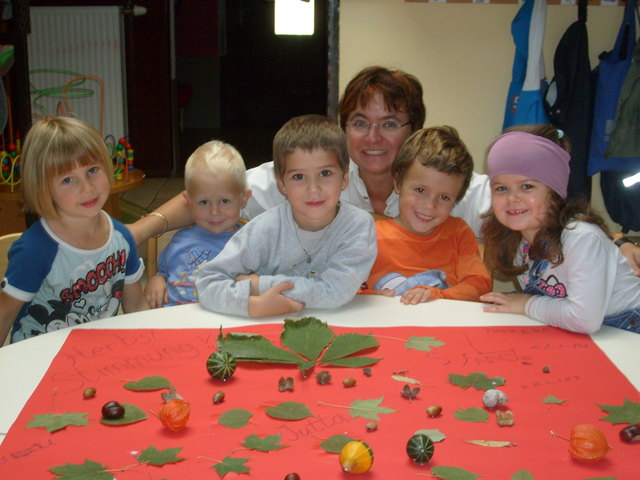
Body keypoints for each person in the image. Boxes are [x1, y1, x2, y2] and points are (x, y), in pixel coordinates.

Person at [129, 66, 640, 272]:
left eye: (390, 123)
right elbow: (217, 190)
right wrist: (137, 231)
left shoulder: (440, 184)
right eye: (359, 121)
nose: (373, 138)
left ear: (414, 128)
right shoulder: (320, 176)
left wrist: (614, 240)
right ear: (343, 125)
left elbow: (532, 202)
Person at [195, 114, 377, 318]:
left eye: (325, 173)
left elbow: (335, 292)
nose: (313, 189)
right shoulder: (264, 229)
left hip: (338, 327)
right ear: (282, 184)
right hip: (266, 328)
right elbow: (207, 282)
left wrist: (259, 284)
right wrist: (251, 306)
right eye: (299, 177)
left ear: (344, 178)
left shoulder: (358, 226)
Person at [0, 117, 149, 344]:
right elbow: (4, 316)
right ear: (43, 188)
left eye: (92, 170)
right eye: (68, 179)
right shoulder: (35, 250)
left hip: (97, 352)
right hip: (39, 359)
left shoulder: (121, 238)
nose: (87, 187)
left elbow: (137, 305)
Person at [479, 125, 640, 334]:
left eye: (527, 186)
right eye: (501, 188)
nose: (512, 198)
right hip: (588, 333)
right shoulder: (517, 240)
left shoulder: (581, 238)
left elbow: (584, 319)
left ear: (554, 191)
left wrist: (526, 304)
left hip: (627, 331)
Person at [360, 126, 491, 304]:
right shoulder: (368, 236)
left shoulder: (458, 232)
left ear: (456, 200)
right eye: (420, 190)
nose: (429, 206)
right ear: (398, 183)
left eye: (444, 197)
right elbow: (346, 289)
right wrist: (372, 298)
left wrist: (438, 296)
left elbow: (479, 285)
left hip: (442, 325)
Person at [144, 140, 251, 307]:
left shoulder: (251, 242)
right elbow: (164, 271)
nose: (214, 212)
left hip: (224, 323)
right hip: (174, 322)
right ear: (189, 201)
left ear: (243, 199)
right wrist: (156, 279)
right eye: (203, 202)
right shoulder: (179, 240)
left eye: (224, 201)